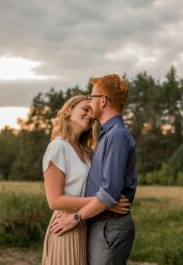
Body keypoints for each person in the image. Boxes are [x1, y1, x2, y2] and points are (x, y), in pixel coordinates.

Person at [50, 74, 137, 265]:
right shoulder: (107, 136)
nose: (90, 101)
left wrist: (76, 217)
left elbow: (109, 193)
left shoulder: (115, 136)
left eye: (92, 97)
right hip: (100, 224)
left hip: (109, 225)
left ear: (103, 101)